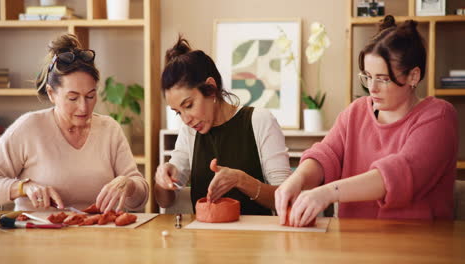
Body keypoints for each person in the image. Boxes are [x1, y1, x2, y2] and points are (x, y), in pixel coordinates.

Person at [275, 15, 458, 226]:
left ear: (413, 76)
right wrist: (297, 179)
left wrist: (326, 193)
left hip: (418, 245)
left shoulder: (439, 117)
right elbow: (326, 155)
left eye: (383, 79)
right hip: (353, 242)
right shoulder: (356, 112)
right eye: (368, 76)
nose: (372, 88)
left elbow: (399, 174)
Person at [0, 34, 149, 212]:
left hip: (100, 235)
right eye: (73, 98)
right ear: (51, 93)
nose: (83, 107)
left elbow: (141, 199)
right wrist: (23, 187)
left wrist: (128, 184)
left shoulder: (110, 129)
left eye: (90, 96)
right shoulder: (29, 127)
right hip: (39, 236)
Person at [154, 36, 291, 215]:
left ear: (211, 89)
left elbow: (287, 198)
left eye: (188, 106)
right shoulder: (189, 132)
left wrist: (241, 180)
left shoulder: (260, 121)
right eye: (178, 112)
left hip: (256, 238)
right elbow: (165, 201)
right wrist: (163, 180)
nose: (185, 119)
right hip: (204, 239)